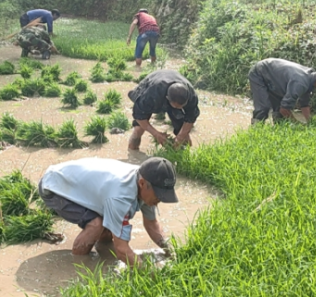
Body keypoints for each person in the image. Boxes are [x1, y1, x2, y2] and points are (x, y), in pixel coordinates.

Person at [38, 157, 178, 267]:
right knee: (96, 224)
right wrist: (151, 275)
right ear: (142, 184)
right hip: (54, 187)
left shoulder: (146, 179)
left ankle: (102, 253)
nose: (160, 199)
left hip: (77, 182)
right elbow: (122, 250)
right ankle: (78, 267)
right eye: (159, 194)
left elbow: (152, 224)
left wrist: (171, 250)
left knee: (109, 227)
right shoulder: (120, 196)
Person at [248, 58, 316, 124]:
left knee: (279, 111)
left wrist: (310, 122)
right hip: (260, 72)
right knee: (263, 108)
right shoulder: (301, 83)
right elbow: (285, 109)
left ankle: (278, 131)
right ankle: (255, 132)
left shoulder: (311, 79)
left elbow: (304, 104)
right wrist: (297, 124)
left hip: (275, 78)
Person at [127, 69, 199, 151]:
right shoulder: (150, 95)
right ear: (167, 99)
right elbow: (139, 116)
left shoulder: (191, 96)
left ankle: (186, 158)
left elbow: (191, 117)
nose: (179, 108)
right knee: (138, 130)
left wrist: (180, 137)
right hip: (154, 84)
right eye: (176, 107)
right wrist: (156, 134)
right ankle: (132, 152)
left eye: (181, 106)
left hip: (173, 88)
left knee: (184, 136)